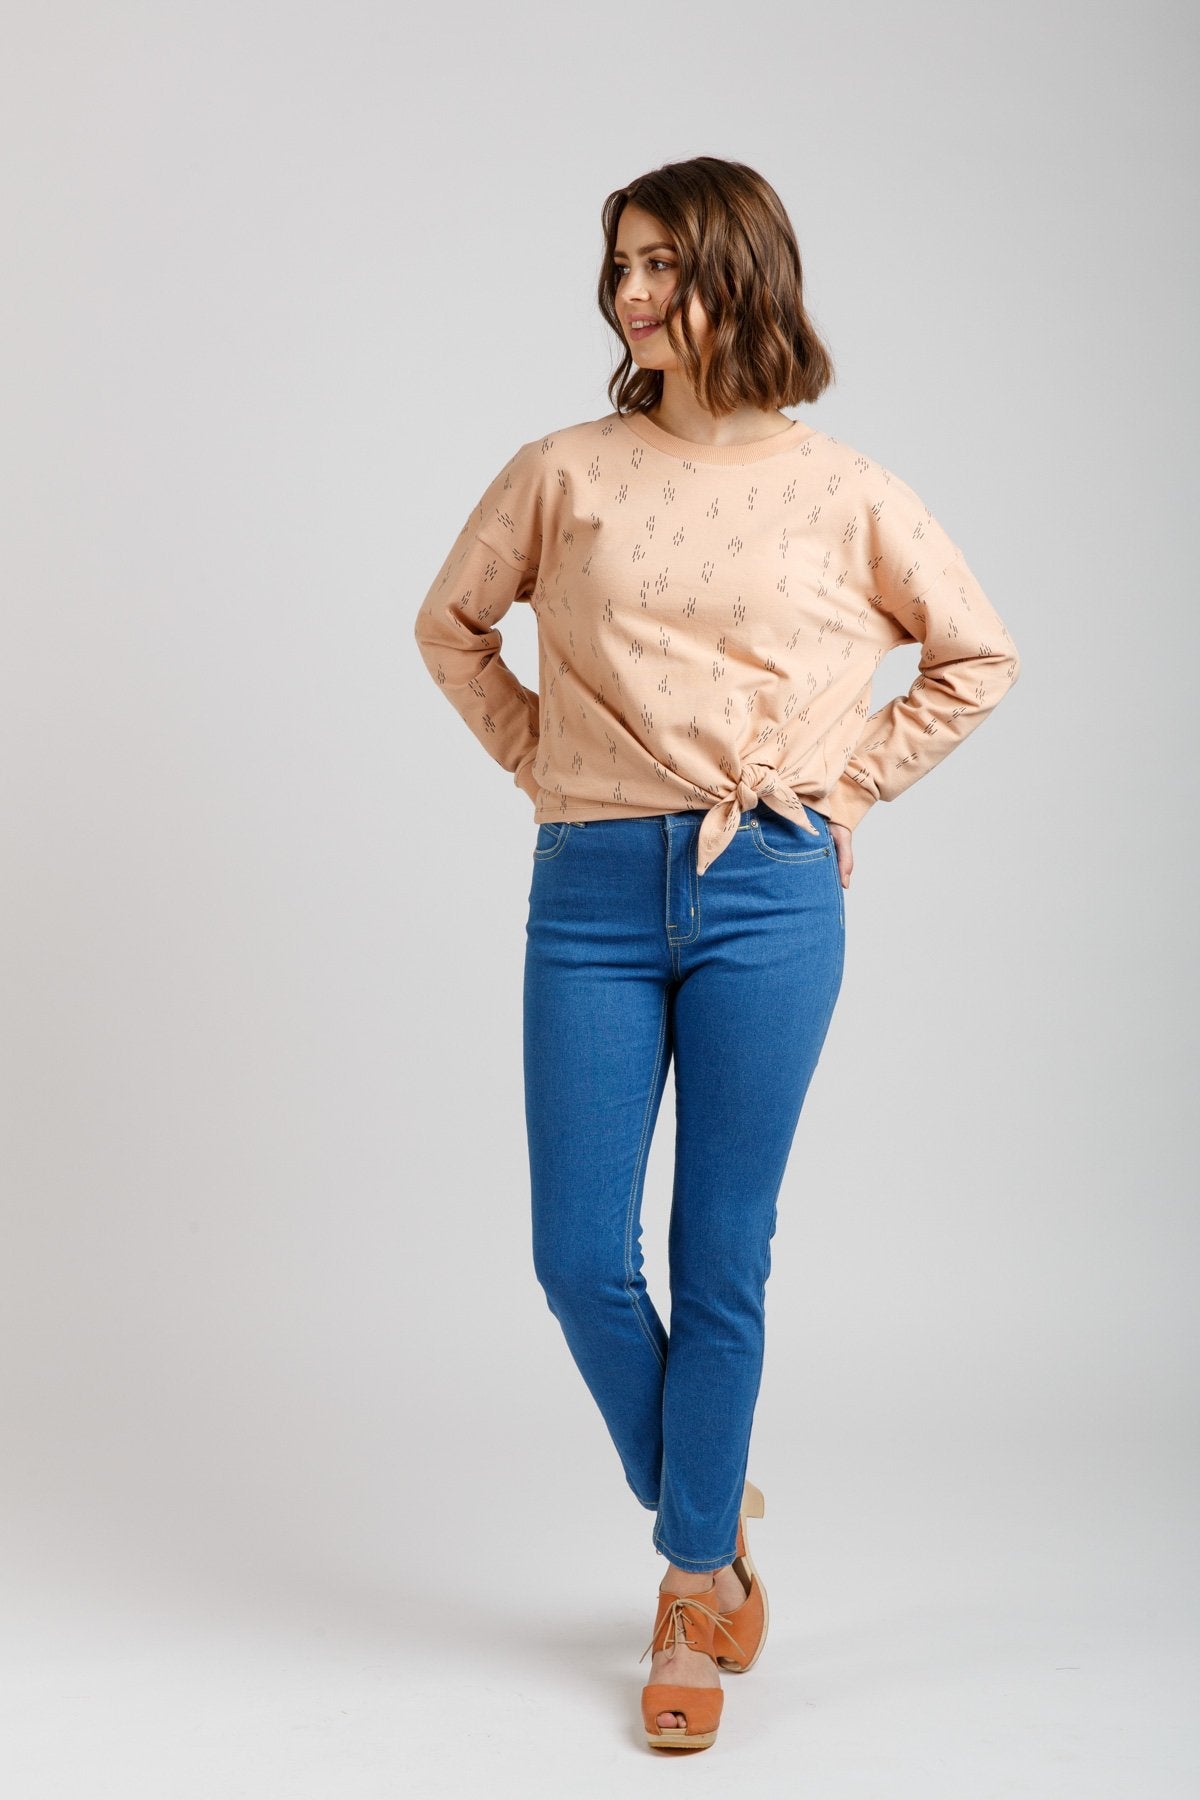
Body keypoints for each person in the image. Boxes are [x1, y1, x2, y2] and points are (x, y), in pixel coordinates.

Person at [412, 155, 1021, 1753]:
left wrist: (849, 792)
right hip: (592, 893)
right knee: (578, 1256)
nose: (630, 294)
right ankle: (708, 1489)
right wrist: (548, 762)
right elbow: (449, 625)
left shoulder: (849, 488)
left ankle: (695, 1584)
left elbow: (975, 655)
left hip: (769, 888)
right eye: (620, 264)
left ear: (740, 275)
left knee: (723, 1252)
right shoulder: (561, 471)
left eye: (663, 265)